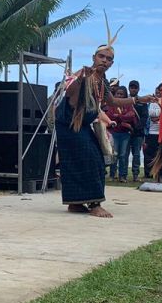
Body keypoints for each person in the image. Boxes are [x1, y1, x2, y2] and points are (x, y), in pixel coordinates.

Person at [57, 44, 154, 216]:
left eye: (109, 59)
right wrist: (81, 80)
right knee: (90, 159)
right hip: (69, 124)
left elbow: (113, 102)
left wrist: (139, 99)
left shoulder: (102, 81)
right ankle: (93, 204)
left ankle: (76, 202)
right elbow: (70, 95)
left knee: (92, 159)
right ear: (94, 57)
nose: (105, 61)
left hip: (82, 124)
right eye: (101, 57)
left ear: (112, 63)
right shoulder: (82, 74)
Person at [106, 85, 138, 183]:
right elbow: (109, 116)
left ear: (125, 96)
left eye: (121, 94)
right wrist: (122, 118)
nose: (119, 96)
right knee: (114, 155)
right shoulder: (111, 105)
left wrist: (118, 117)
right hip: (114, 132)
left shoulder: (128, 105)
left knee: (123, 155)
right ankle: (112, 175)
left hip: (125, 133)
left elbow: (131, 116)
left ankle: (122, 176)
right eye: (117, 94)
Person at [128, 80, 149, 181]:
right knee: (123, 154)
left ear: (138, 89)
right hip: (126, 131)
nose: (133, 89)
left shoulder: (142, 101)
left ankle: (135, 175)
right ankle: (121, 175)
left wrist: (137, 127)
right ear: (129, 88)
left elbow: (145, 117)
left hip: (138, 132)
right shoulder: (125, 100)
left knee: (136, 154)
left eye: (135, 87)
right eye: (131, 87)